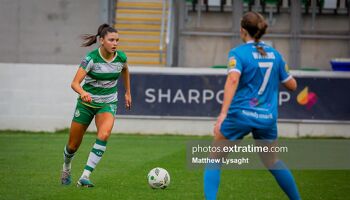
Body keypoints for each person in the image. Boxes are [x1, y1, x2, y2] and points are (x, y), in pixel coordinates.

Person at [203, 12, 301, 200]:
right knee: (273, 162)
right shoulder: (276, 55)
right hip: (267, 118)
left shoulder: (238, 53)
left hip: (240, 115)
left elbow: (233, 79)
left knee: (214, 159)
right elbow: (293, 85)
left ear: (242, 30)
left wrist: (223, 114)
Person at [60, 24, 131, 187]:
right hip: (86, 104)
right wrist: (83, 93)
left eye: (117, 40)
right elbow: (75, 83)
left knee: (104, 135)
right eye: (111, 40)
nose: (115, 43)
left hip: (107, 103)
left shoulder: (121, 58)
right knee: (72, 146)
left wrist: (128, 92)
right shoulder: (91, 58)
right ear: (101, 41)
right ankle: (66, 167)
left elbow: (125, 70)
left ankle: (85, 176)